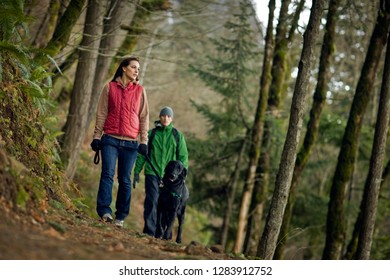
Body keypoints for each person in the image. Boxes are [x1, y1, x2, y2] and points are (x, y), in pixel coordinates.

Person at [90, 56, 149, 228]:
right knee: (107, 174)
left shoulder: (140, 91)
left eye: (138, 68)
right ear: (124, 68)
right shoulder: (109, 88)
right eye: (133, 67)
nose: (136, 70)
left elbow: (144, 117)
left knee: (124, 179)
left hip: (131, 143)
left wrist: (144, 141)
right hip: (110, 139)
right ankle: (104, 211)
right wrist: (96, 136)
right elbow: (101, 113)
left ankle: (120, 216)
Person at [133, 106, 188, 237]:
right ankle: (150, 231)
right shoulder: (151, 134)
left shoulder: (177, 135)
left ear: (172, 118)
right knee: (152, 201)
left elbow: (183, 157)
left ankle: (162, 231)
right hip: (152, 172)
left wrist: (182, 176)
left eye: (168, 116)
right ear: (159, 117)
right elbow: (142, 154)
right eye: (163, 115)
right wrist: (136, 171)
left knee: (166, 206)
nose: (165, 118)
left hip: (170, 178)